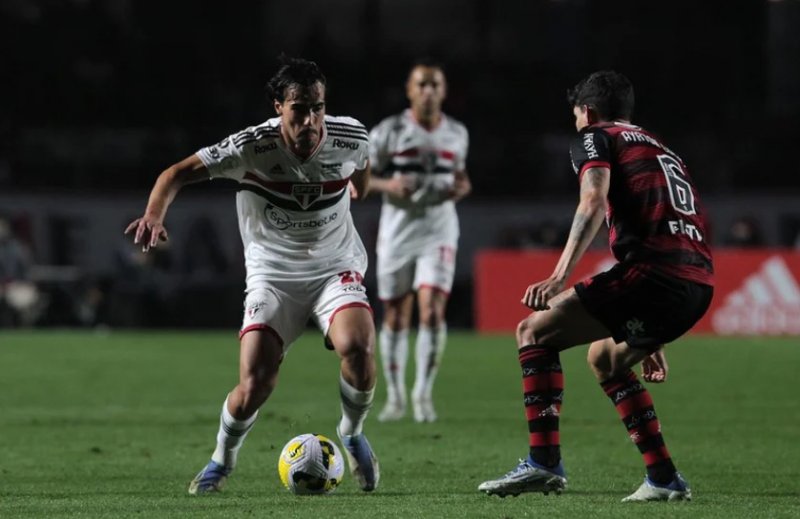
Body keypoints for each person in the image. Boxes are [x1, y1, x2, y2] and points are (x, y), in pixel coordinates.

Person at [125, 57, 380, 494]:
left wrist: (362, 186)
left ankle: (353, 433)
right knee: (255, 383)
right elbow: (176, 174)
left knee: (357, 346)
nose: (311, 119)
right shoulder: (250, 146)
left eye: (317, 107)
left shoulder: (349, 134)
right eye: (299, 108)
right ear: (278, 106)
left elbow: (364, 165)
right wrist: (153, 214)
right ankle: (221, 461)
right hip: (272, 277)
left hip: (334, 266)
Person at [478, 71, 714, 502]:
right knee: (606, 358)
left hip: (655, 275)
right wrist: (644, 321)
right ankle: (663, 477)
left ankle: (543, 462)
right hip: (696, 283)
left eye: (575, 115)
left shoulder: (596, 136)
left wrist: (559, 275)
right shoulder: (661, 148)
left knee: (533, 331)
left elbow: (591, 198)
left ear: (587, 111)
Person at [367, 58, 471, 423]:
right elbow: (360, 179)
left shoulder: (457, 133)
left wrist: (461, 188)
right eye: (421, 84)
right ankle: (395, 397)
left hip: (439, 228)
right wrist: (388, 185)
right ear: (410, 90)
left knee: (431, 309)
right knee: (396, 314)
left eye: (435, 85)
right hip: (397, 229)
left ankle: (422, 394)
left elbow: (460, 178)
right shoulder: (390, 130)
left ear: (444, 91)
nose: (428, 91)